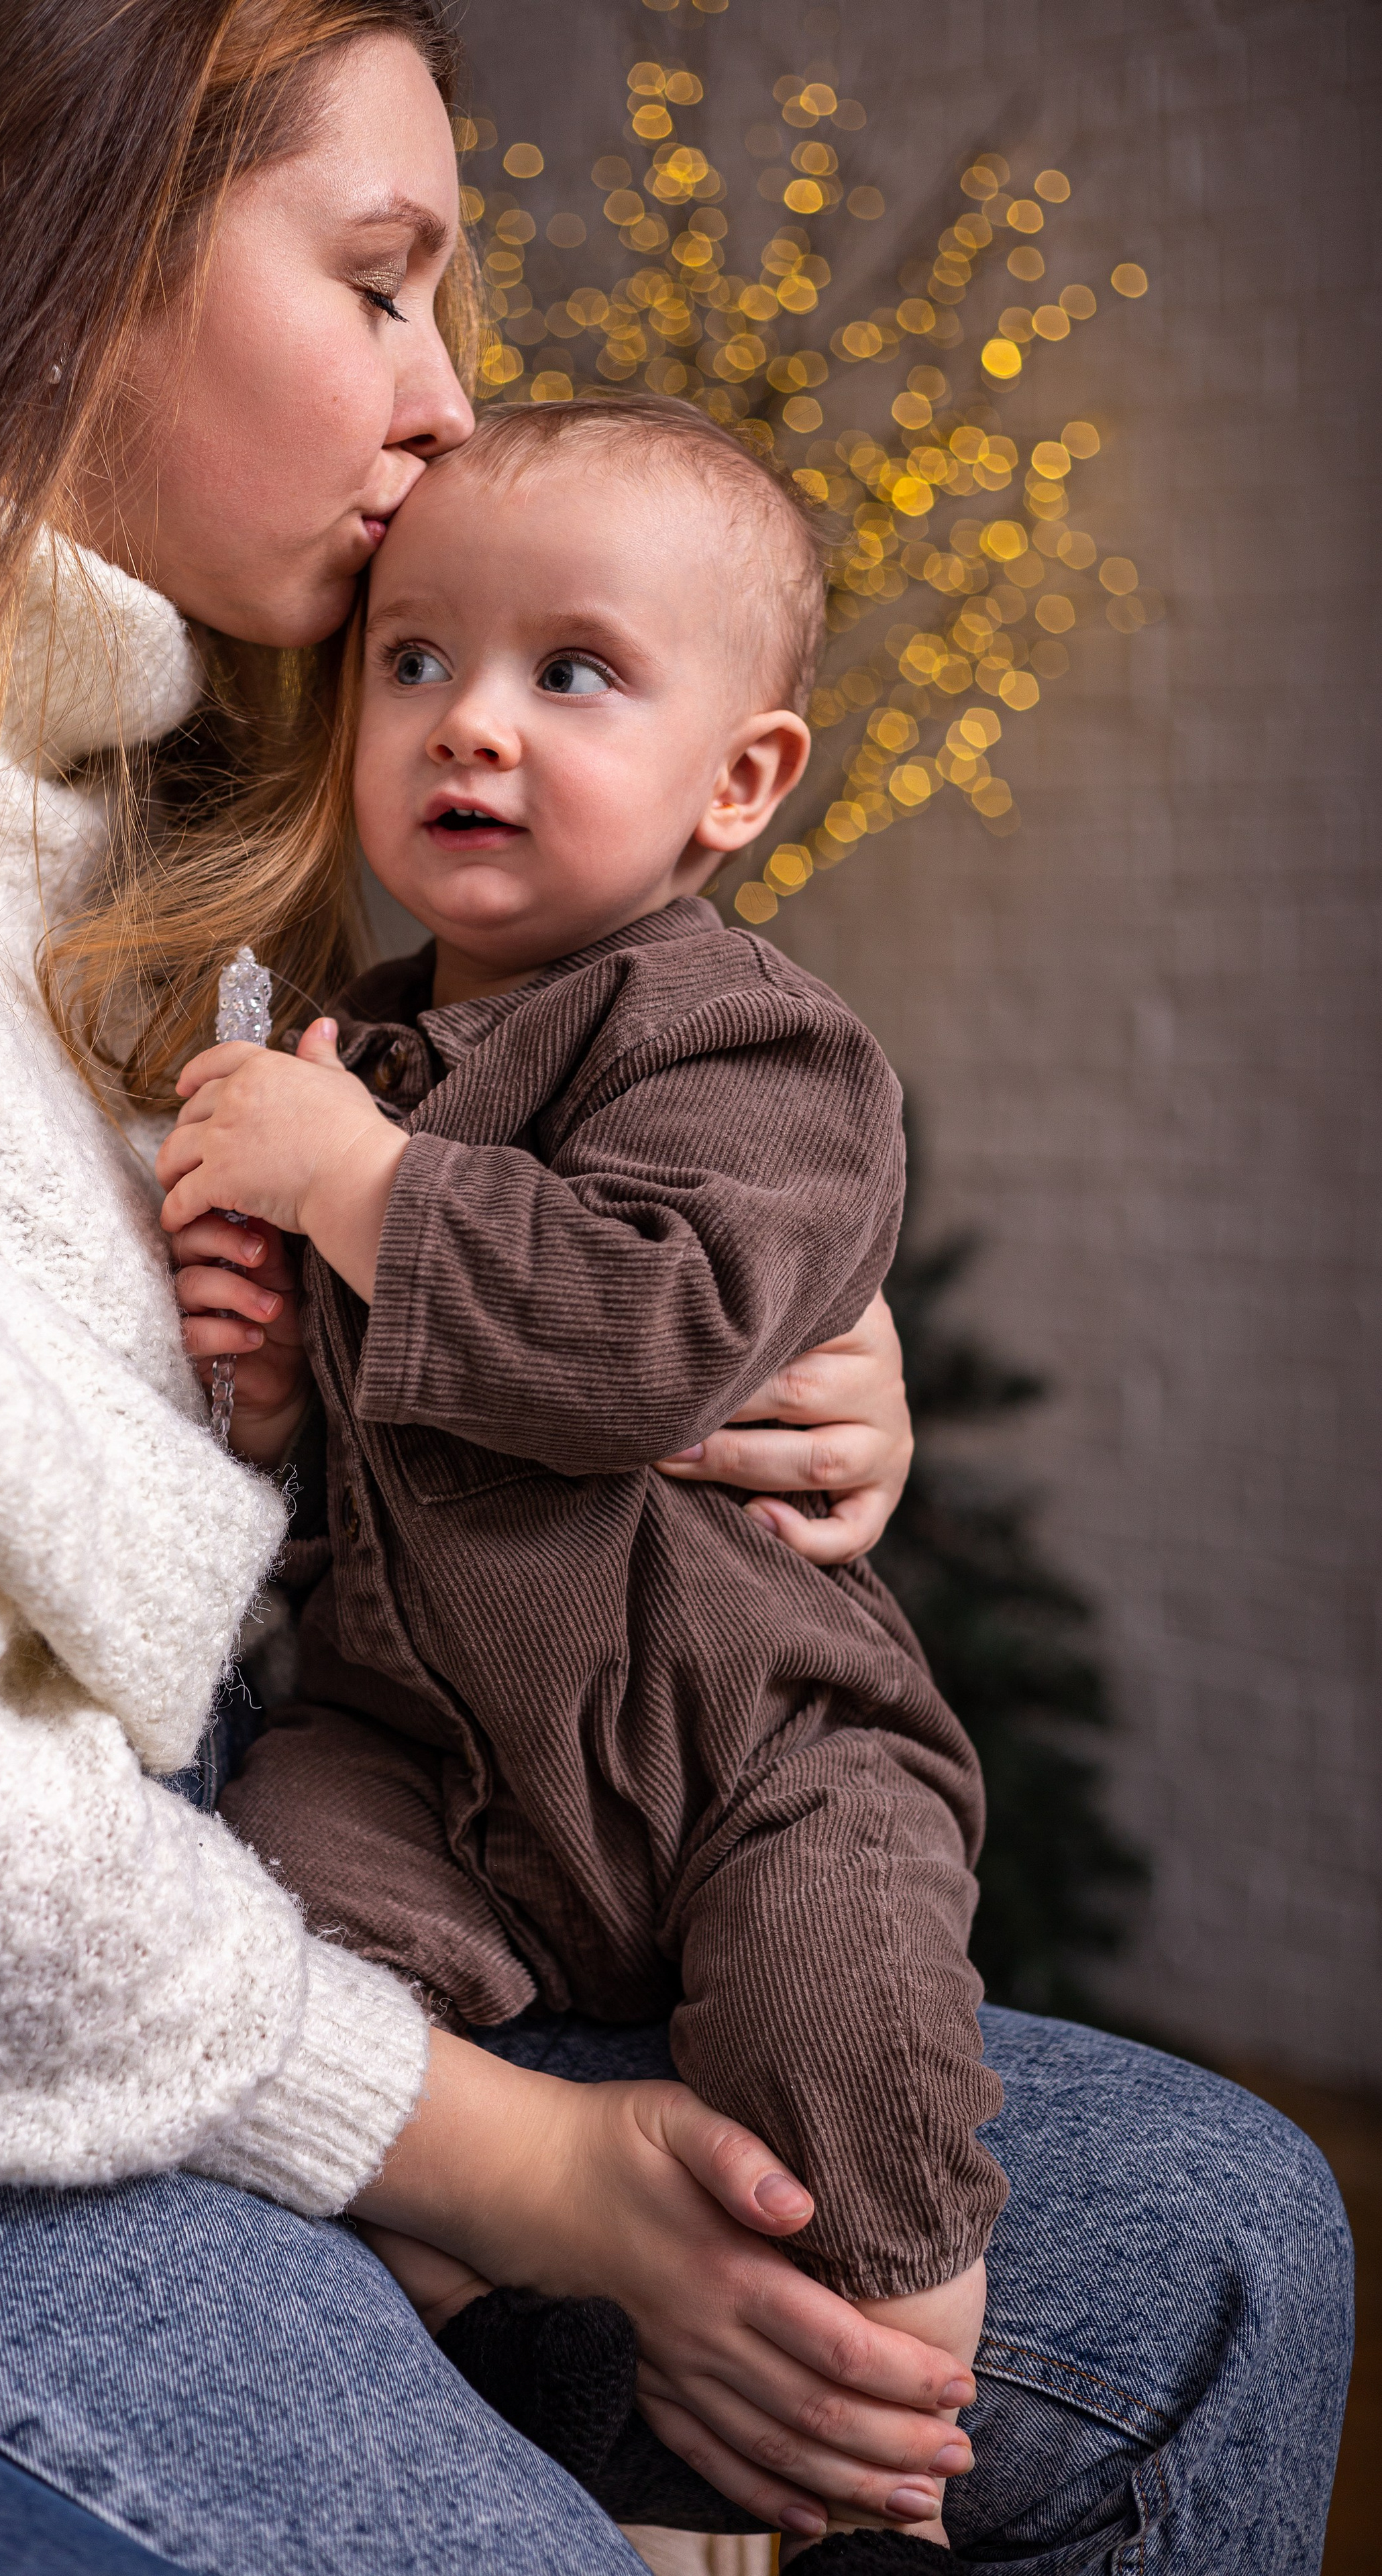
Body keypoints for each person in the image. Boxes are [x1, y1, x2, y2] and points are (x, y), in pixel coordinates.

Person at [0, 1, 1351, 2570]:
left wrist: (746, 1363)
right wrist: (537, 2171)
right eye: (383, 284)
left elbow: (251, 1412)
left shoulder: (174, 839)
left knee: (1225, 2244)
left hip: (269, 1881)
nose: (451, 403)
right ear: (44, 268)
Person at [163, 395, 997, 2541]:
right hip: (427, 1754)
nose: (472, 727)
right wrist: (260, 1384)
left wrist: (357, 1191)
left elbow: (638, 1345)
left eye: (576, 672)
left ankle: (874, 2432)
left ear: (742, 781)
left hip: (748, 1744)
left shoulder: (751, 1049)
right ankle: (394, 2404)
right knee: (291, 1930)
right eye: (417, 661)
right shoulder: (344, 1041)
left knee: (846, 2021)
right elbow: (335, 1470)